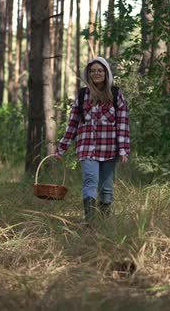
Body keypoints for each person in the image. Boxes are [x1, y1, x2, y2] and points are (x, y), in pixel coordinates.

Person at [55, 57, 130, 223]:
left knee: (106, 188)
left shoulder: (116, 95)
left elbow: (122, 124)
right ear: (88, 74)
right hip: (87, 148)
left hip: (110, 149)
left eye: (100, 70)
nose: (96, 73)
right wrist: (61, 148)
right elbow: (72, 124)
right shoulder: (82, 95)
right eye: (93, 71)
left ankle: (103, 223)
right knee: (90, 181)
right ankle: (90, 223)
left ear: (106, 73)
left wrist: (123, 150)